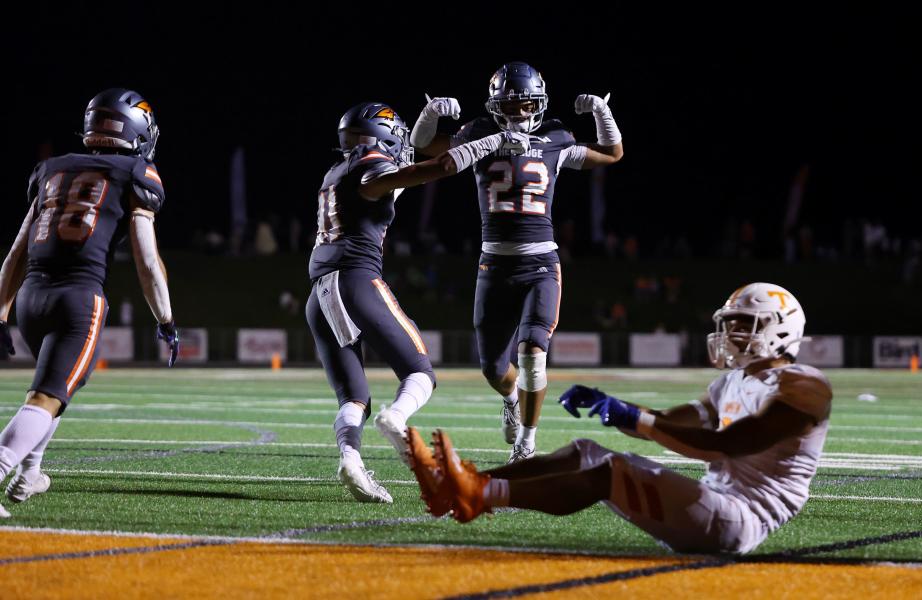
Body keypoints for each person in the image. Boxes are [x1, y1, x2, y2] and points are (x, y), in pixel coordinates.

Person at [408, 283, 832, 554]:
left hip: (740, 519)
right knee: (585, 451)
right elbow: (668, 420)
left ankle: (482, 495)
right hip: (717, 503)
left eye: (745, 325)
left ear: (780, 330)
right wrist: (614, 407)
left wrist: (635, 418)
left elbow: (727, 444)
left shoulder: (805, 386)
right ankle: (463, 485)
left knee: (611, 471)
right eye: (731, 324)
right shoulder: (732, 382)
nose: (732, 334)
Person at [306, 102, 530, 503]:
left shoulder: (335, 173)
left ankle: (351, 460)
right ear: (381, 135)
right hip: (356, 281)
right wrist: (493, 141)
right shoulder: (369, 167)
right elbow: (435, 169)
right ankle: (396, 418)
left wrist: (429, 118)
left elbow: (393, 184)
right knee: (420, 374)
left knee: (355, 396)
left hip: (319, 292)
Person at [410, 62, 624, 462]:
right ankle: (510, 398)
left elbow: (611, 154)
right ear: (495, 106)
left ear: (538, 103)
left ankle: (527, 442)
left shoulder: (555, 137)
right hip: (494, 264)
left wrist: (602, 112)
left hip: (540, 262)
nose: (519, 113)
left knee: (531, 352)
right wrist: (429, 115)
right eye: (510, 105)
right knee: (494, 367)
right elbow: (426, 147)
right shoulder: (477, 133)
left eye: (526, 104)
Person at [0, 89, 180, 518]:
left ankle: (30, 473)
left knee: (59, 387)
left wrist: (2, 312)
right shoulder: (138, 172)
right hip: (78, 298)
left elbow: (16, 252)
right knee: (46, 396)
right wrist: (167, 317)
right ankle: (8, 466)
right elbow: (147, 260)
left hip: (30, 299)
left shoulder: (51, 170)